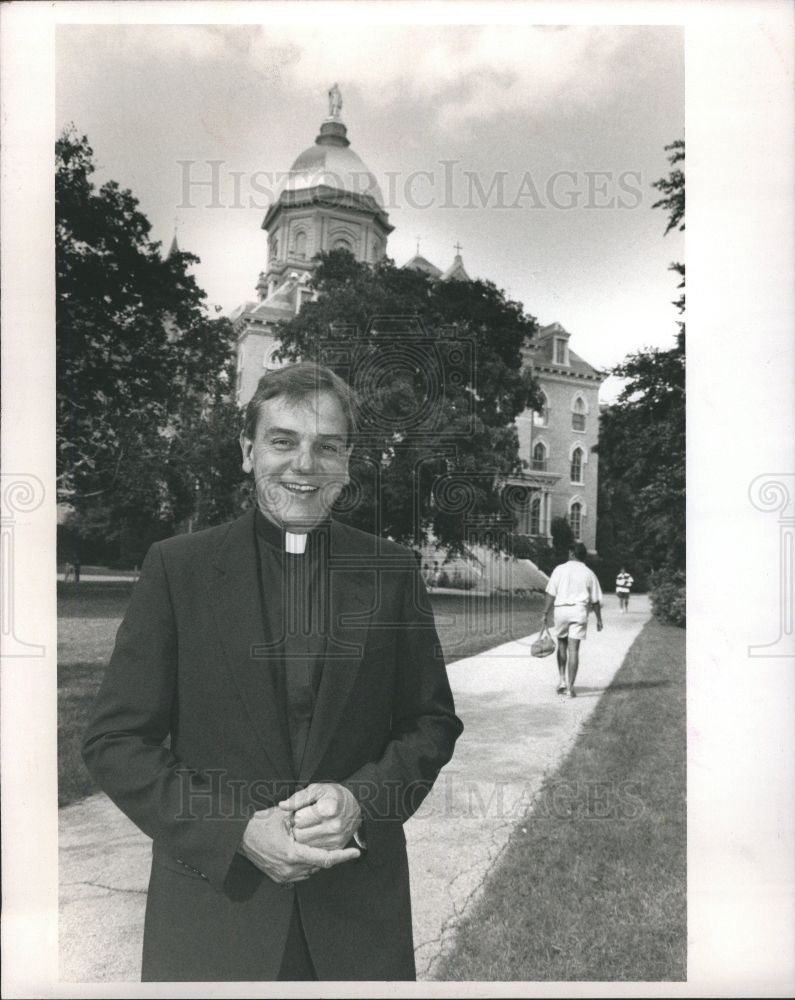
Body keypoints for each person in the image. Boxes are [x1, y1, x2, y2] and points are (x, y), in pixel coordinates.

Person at [82, 362, 463, 982]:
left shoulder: (391, 571)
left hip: (355, 918)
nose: (304, 466)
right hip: (214, 914)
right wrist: (235, 832)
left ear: (346, 461)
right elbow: (115, 741)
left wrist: (361, 799)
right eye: (283, 441)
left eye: (326, 447)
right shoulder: (178, 570)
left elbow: (431, 723)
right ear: (247, 450)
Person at [542, 541, 604, 698]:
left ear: (571, 553)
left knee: (562, 645)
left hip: (561, 610)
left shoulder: (559, 570)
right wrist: (598, 619)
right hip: (579, 611)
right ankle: (570, 688)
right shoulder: (589, 573)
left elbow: (551, 593)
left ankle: (562, 680)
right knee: (574, 649)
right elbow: (595, 600)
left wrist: (545, 612)